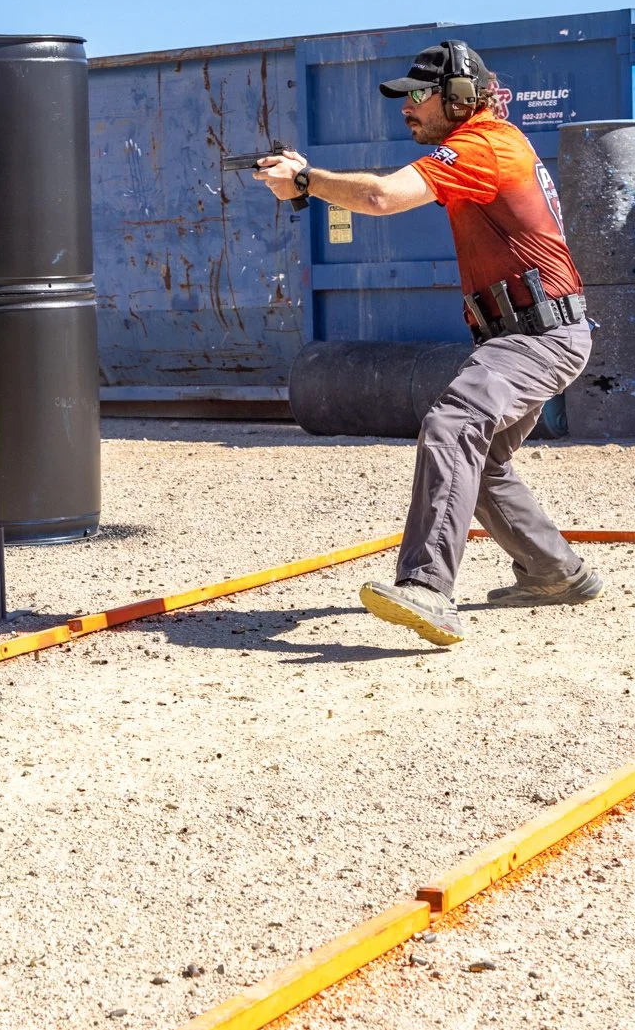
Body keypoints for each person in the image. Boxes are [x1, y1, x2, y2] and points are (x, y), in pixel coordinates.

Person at [251, 40, 602, 647]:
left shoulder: (483, 145)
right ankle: (555, 573)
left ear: (460, 98)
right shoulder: (489, 143)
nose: (407, 107)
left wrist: (306, 178)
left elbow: (380, 197)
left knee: (454, 423)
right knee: (481, 461)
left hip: (538, 335)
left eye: (419, 95)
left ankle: (427, 588)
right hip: (531, 333)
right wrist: (308, 183)